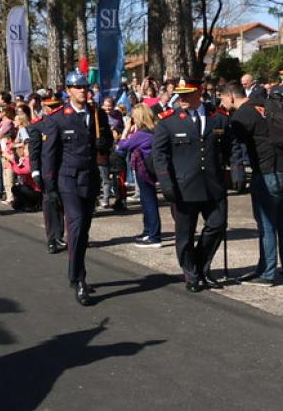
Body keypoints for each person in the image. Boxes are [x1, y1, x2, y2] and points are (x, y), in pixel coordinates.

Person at [152, 77, 231, 293]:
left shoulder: (219, 118)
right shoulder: (168, 121)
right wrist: (165, 182)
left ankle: (200, 263)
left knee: (217, 225)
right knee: (184, 235)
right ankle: (192, 272)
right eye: (180, 94)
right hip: (183, 187)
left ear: (200, 92)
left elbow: (229, 148)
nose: (182, 98)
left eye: (187, 93)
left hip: (213, 186)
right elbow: (159, 155)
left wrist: (235, 171)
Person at [42, 70, 112, 305]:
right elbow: (49, 154)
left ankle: (75, 273)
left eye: (85, 87)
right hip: (67, 178)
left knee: (84, 229)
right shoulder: (58, 118)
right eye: (78, 87)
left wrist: (106, 144)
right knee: (77, 224)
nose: (83, 91)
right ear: (69, 91)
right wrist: (49, 186)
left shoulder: (97, 114)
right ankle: (79, 278)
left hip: (90, 178)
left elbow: (108, 140)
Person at [222, 81, 283, 286]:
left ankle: (267, 273)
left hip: (265, 173)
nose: (222, 103)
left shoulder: (241, 115)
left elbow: (234, 147)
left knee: (266, 225)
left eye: (223, 98)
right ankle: (269, 269)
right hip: (281, 169)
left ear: (231, 96)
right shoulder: (266, 105)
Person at [117, 104, 161, 247]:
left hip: (144, 170)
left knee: (149, 202)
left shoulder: (141, 134)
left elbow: (121, 147)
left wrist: (126, 130)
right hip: (151, 169)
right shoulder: (155, 130)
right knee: (146, 200)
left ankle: (154, 236)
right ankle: (148, 230)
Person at [28, 95, 67, 254]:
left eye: (57, 106)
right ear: (45, 108)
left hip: (64, 169)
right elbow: (34, 152)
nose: (54, 110)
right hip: (47, 171)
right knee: (50, 203)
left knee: (62, 204)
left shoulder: (66, 123)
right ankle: (52, 239)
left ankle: (60, 236)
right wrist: (35, 171)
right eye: (51, 107)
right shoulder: (38, 126)